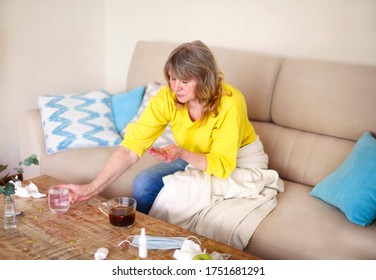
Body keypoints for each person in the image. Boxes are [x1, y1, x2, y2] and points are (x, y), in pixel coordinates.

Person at [63, 40, 258, 214]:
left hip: (234, 160)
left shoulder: (230, 103)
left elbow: (223, 166)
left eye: (185, 81)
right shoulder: (168, 98)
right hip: (193, 154)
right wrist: (91, 188)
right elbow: (130, 148)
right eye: (173, 78)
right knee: (144, 183)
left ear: (205, 79)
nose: (176, 87)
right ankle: (141, 241)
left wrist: (182, 152)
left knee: (176, 194)